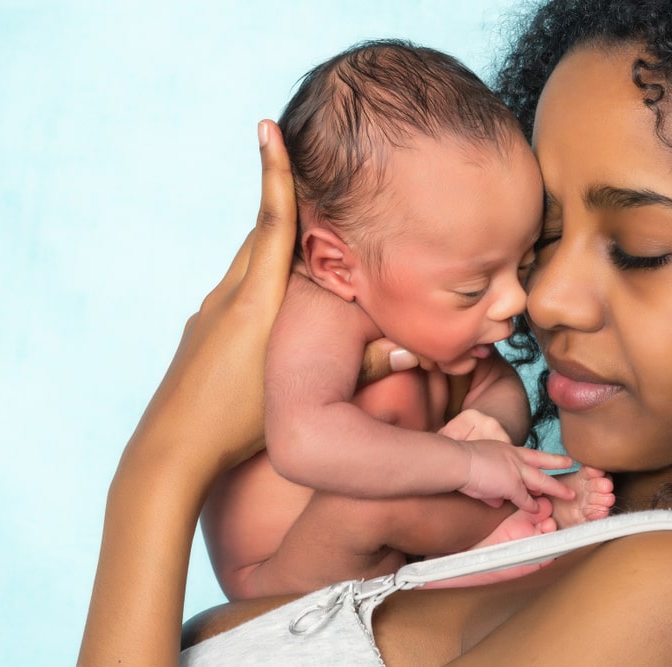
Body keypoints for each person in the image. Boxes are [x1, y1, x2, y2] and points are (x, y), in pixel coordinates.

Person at [78, 0, 672, 665]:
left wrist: (160, 467)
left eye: (639, 250)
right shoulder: (551, 527)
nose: (546, 296)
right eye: (547, 237)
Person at [200, 40, 613, 601]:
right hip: (286, 568)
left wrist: (491, 425)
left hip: (391, 548)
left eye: (524, 264)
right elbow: (304, 441)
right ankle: (518, 528)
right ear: (336, 266)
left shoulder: (431, 313)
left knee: (413, 474)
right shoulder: (319, 309)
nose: (515, 301)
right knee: (367, 495)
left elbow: (502, 385)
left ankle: (491, 538)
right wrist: (466, 463)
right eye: (473, 287)